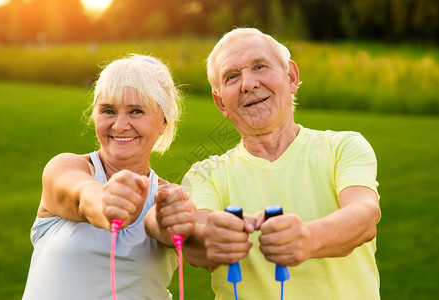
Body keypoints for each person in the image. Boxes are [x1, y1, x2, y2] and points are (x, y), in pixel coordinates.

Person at [181, 28, 381, 299]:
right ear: (221, 104)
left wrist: (308, 239)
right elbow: (194, 242)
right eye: (232, 76)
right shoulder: (205, 174)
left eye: (260, 66)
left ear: (291, 77)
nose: (248, 84)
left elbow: (365, 215)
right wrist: (213, 240)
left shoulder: (343, 147)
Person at [22, 54, 196, 300]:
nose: (120, 125)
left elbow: (161, 225)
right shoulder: (65, 167)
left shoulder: (168, 197)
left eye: (136, 111)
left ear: (163, 123)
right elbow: (83, 196)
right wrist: (107, 201)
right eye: (108, 111)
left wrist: (171, 222)